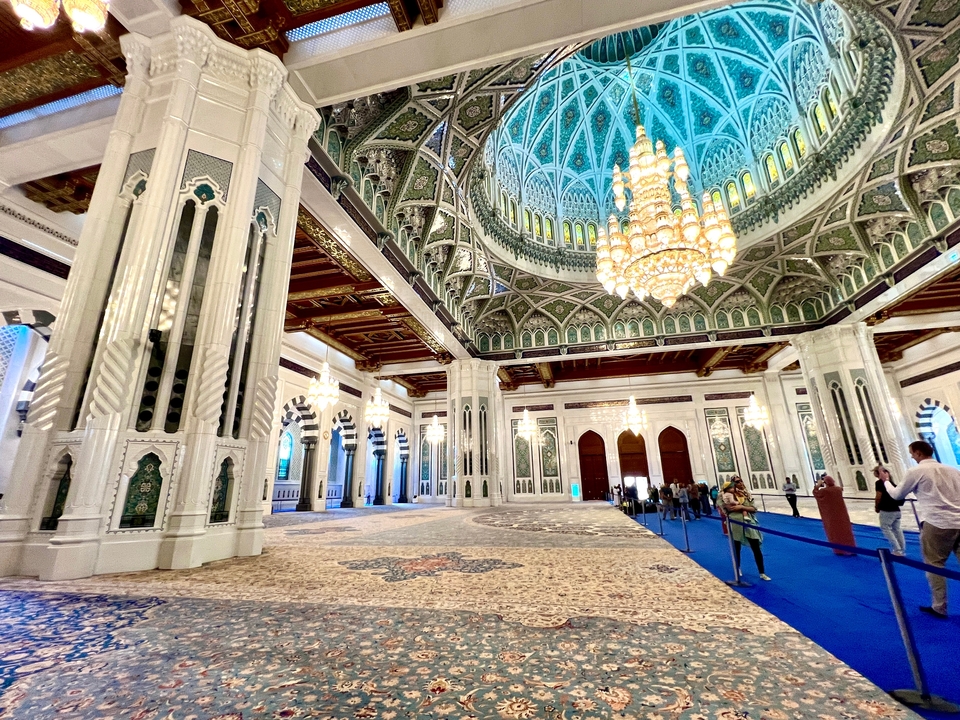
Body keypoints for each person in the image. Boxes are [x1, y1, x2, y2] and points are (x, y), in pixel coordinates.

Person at [884, 440, 960, 619]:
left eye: (912, 453)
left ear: (918, 453)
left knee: (934, 564)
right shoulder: (953, 470)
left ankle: (939, 607)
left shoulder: (916, 471)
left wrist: (886, 482)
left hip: (937, 522)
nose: (911, 456)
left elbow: (897, 494)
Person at [721, 477, 770, 580]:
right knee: (736, 548)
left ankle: (762, 572)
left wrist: (742, 508)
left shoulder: (746, 494)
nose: (740, 483)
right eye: (737, 482)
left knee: (756, 547)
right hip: (736, 523)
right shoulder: (727, 495)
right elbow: (727, 510)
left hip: (749, 523)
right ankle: (737, 568)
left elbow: (754, 509)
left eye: (741, 481)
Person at [813, 476, 856, 556]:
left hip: (831, 516)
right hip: (842, 514)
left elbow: (815, 493)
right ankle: (852, 549)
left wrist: (818, 485)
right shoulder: (838, 489)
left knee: (835, 532)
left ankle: (839, 550)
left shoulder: (824, 491)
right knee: (846, 531)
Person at [873, 465, 905, 557]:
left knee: (885, 528)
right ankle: (902, 549)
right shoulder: (892, 483)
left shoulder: (879, 483)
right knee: (897, 529)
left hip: (887, 510)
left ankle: (897, 549)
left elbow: (878, 496)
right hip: (896, 510)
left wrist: (877, 506)